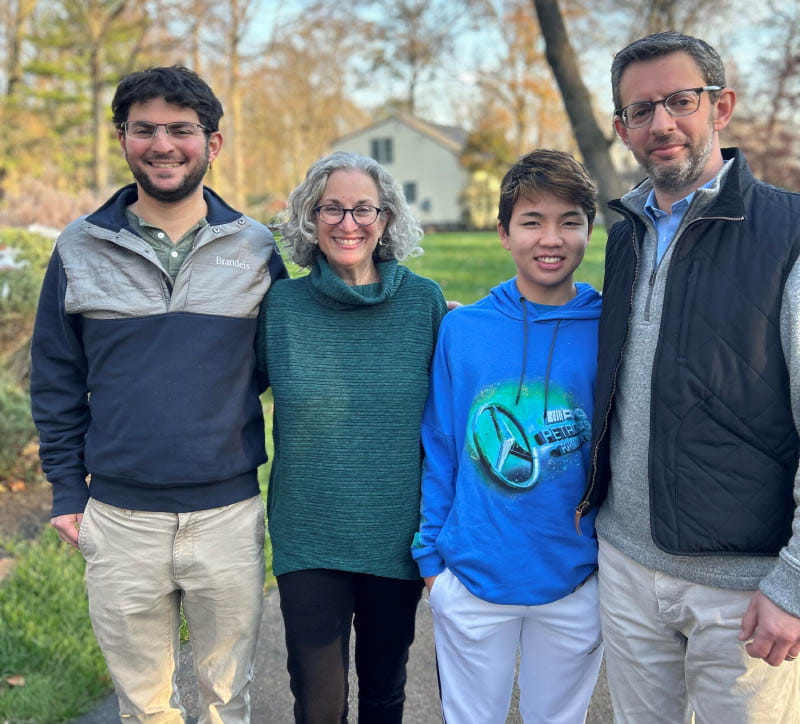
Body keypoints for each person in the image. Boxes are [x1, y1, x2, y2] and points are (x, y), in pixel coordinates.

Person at [30, 66, 287, 723]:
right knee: (145, 708)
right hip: (120, 520)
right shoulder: (80, 247)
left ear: (213, 143)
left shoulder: (255, 249)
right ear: (123, 139)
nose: (163, 144)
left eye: (181, 129)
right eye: (144, 129)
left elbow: (279, 363)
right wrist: (67, 490)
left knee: (228, 701)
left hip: (226, 516)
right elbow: (56, 377)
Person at [577, 31, 800, 723]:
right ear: (622, 129)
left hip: (743, 587)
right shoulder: (625, 233)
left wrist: (793, 583)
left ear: (720, 106)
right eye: (641, 110)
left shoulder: (788, 234)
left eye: (681, 101)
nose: (662, 124)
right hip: (626, 565)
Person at [412, 149, 604, 723]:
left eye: (569, 221)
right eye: (532, 221)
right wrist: (432, 560)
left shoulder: (609, 326)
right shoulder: (464, 329)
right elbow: (442, 443)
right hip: (472, 575)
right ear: (503, 232)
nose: (551, 238)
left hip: (577, 577)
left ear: (589, 230)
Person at [258, 150, 447, 723]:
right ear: (309, 219)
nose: (348, 223)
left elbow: (452, 411)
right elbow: (224, 392)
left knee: (385, 694)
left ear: (385, 219)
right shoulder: (281, 307)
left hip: (395, 533)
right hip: (308, 535)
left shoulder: (425, 303)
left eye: (364, 209)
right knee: (319, 706)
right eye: (331, 209)